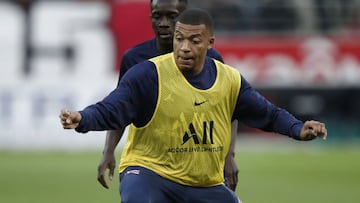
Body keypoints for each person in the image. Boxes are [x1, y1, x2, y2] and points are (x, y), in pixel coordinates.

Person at [60, 8, 327, 203]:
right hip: (150, 174)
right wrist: (82, 119)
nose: (184, 48)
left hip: (205, 184)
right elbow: (112, 109)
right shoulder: (147, 75)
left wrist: (298, 128)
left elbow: (267, 114)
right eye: (179, 39)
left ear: (210, 44)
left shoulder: (229, 79)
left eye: (194, 41)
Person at [98, 0, 239, 192]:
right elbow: (122, 108)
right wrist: (108, 151)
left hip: (196, 167)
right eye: (157, 16)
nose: (164, 23)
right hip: (148, 166)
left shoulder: (210, 59)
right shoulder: (134, 59)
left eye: (172, 16)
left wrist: (229, 156)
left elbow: (229, 110)